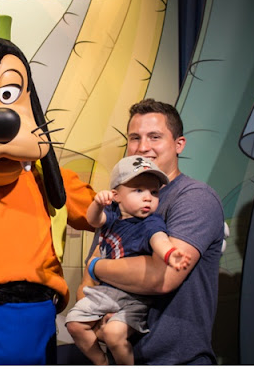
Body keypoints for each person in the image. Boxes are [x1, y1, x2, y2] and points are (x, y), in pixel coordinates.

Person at [78, 98, 224, 365]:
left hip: (175, 360)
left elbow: (162, 277)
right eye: (135, 138)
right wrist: (97, 320)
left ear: (179, 144)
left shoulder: (194, 197)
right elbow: (87, 285)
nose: (143, 147)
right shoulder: (120, 200)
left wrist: (96, 266)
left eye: (154, 137)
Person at [66, 155, 191, 364]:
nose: (148, 198)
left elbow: (159, 239)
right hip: (106, 292)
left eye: (154, 192)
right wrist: (97, 203)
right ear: (116, 196)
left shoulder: (150, 222)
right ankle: (102, 363)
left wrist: (170, 253)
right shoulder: (112, 215)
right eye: (138, 190)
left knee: (114, 334)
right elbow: (93, 220)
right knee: (74, 323)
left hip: (134, 297)